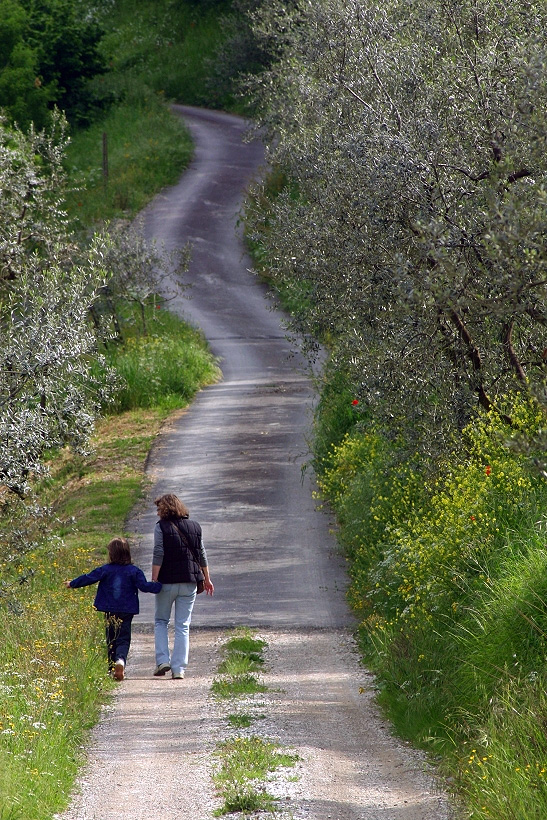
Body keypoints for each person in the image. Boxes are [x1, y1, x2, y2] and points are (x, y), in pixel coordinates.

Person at [65, 537, 162, 681]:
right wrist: (159, 586)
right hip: (127, 610)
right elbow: (144, 586)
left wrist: (72, 583)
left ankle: (111, 669)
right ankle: (120, 660)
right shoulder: (134, 571)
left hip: (109, 608)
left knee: (111, 638)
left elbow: (89, 577)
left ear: (111, 554)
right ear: (127, 553)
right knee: (123, 638)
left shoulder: (105, 570)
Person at [151, 494, 214, 680]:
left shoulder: (160, 527)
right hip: (189, 582)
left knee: (161, 621)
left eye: (158, 508)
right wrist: (207, 579)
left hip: (166, 582)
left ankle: (163, 660)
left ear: (164, 509)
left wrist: (154, 579)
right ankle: (179, 669)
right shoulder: (195, 526)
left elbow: (158, 552)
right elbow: (201, 554)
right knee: (183, 625)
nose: (157, 512)